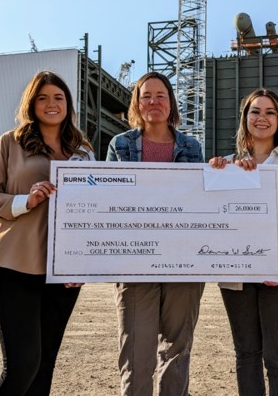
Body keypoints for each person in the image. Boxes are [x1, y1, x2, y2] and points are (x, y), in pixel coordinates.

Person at [0, 71, 93, 396]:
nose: (51, 104)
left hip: (62, 273)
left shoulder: (82, 150)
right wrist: (26, 200)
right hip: (15, 264)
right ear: (32, 103)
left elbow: (94, 208)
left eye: (58, 97)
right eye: (43, 97)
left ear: (68, 104)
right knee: (22, 365)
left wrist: (84, 263)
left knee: (44, 367)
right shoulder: (9, 143)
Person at [209, 88, 278, 396]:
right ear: (245, 118)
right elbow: (215, 217)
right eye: (255, 111)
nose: (262, 118)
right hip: (237, 271)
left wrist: (273, 256)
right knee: (246, 355)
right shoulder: (226, 165)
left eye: (270, 112)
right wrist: (212, 174)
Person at [106, 71, 205, 396]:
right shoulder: (119, 146)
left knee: (177, 349)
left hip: (183, 261)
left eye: (160, 95)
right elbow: (108, 202)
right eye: (146, 95)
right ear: (136, 102)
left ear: (171, 102)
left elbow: (200, 199)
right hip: (135, 263)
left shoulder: (192, 147)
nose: (153, 101)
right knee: (136, 351)